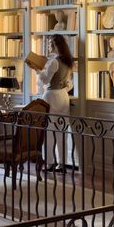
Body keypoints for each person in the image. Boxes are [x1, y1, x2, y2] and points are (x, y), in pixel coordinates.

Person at [35, 34, 74, 172]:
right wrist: (62, 87)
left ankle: (50, 162)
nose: (49, 46)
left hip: (51, 97)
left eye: (51, 44)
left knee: (49, 131)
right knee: (62, 131)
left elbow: (45, 80)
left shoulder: (54, 62)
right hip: (63, 96)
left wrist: (37, 69)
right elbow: (69, 84)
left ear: (57, 45)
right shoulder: (68, 61)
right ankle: (62, 164)